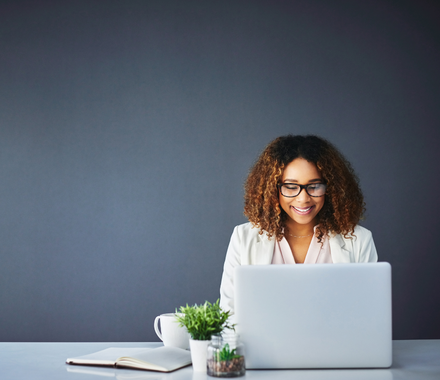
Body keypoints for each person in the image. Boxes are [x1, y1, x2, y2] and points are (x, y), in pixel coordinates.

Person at [219, 134, 378, 316]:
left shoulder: (360, 240)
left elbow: (369, 314)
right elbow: (229, 315)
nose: (303, 199)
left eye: (315, 186)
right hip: (262, 345)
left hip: (336, 344)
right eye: (291, 186)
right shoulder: (243, 238)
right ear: (273, 189)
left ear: (331, 189)